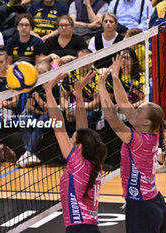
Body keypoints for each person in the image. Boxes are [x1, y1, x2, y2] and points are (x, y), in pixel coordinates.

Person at [98, 55, 166, 233]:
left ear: (146, 122)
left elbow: (111, 117)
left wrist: (101, 86)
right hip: (155, 201)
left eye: (138, 111)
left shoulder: (137, 140)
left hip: (142, 206)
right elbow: (123, 102)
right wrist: (115, 76)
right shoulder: (148, 133)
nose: (134, 111)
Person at [44, 71, 107, 233]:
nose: (70, 138)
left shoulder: (77, 163)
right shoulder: (93, 163)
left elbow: (58, 126)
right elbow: (83, 127)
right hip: (90, 228)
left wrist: (49, 92)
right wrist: (78, 94)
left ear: (79, 147)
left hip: (78, 229)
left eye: (73, 137)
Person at [16, 60, 51, 168]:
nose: (41, 75)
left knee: (43, 120)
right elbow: (29, 107)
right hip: (39, 113)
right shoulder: (34, 85)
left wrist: (37, 98)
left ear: (50, 72)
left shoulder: (53, 85)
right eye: (39, 73)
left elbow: (50, 109)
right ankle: (30, 154)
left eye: (44, 72)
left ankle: (27, 153)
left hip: (53, 115)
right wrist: (41, 111)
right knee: (24, 120)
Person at [60, 49, 102, 129]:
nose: (84, 63)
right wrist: (68, 109)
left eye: (87, 59)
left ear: (92, 61)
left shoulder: (97, 76)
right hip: (72, 106)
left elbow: (97, 101)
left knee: (86, 116)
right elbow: (63, 97)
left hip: (90, 108)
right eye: (81, 59)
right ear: (76, 60)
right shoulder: (70, 74)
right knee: (55, 115)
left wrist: (79, 110)